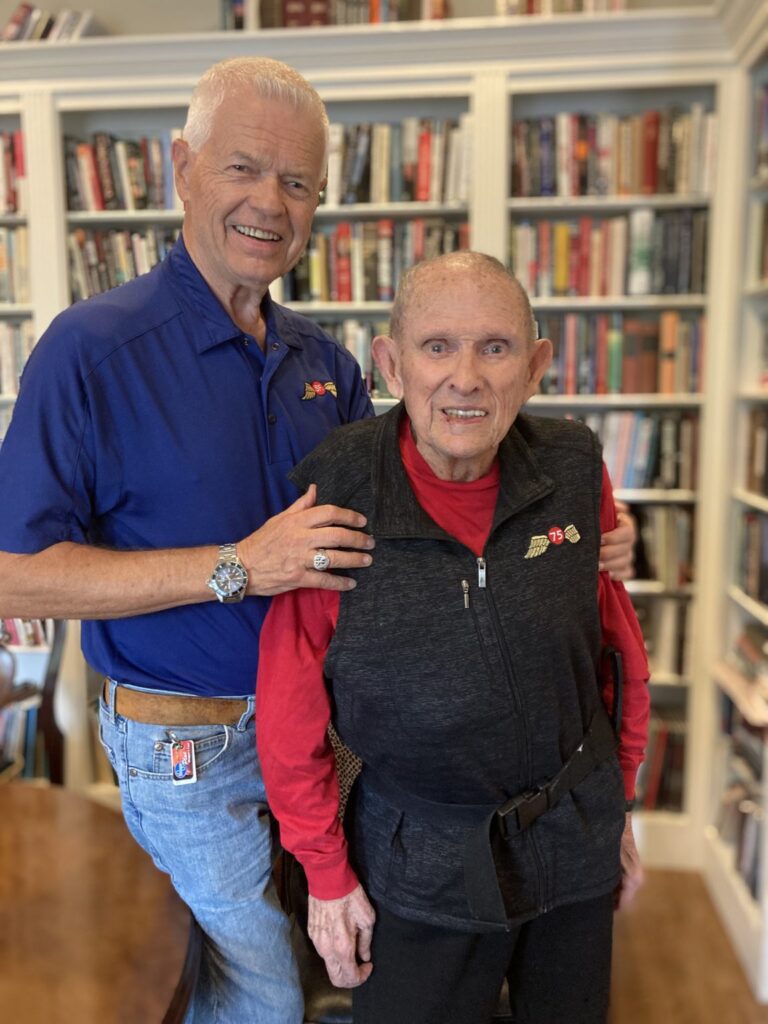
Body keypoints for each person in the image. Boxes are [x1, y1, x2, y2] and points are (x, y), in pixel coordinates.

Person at [0, 59, 635, 1021]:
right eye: (244, 168)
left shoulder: (325, 363)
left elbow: (423, 500)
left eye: (297, 182)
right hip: (193, 743)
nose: (270, 202)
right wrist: (237, 568)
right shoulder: (90, 350)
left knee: (342, 964)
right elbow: (14, 578)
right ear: (181, 167)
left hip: (332, 740)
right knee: (262, 995)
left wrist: (576, 534)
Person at [256, 251, 650, 1024]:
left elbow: (616, 649)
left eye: (495, 348)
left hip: (573, 831)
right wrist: (326, 876)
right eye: (437, 347)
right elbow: (289, 704)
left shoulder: (574, 467)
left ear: (534, 368)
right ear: (391, 364)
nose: (465, 377)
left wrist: (622, 802)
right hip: (417, 860)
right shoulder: (338, 489)